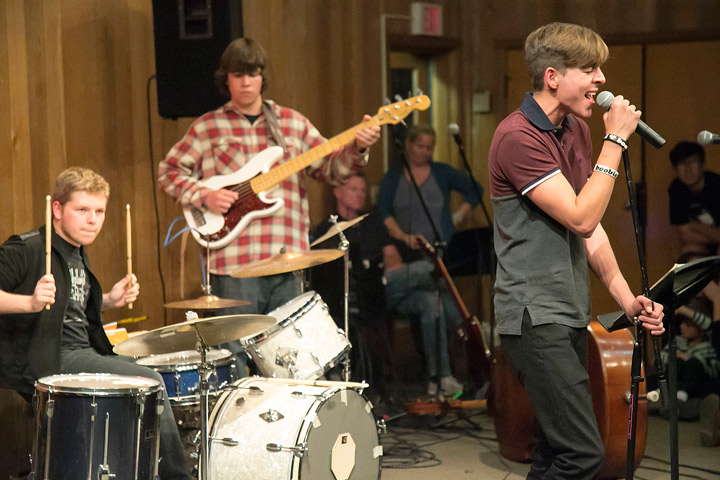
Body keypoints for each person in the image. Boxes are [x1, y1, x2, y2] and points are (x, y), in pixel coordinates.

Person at [488, 22, 665, 479]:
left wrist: (627, 300)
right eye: (589, 69)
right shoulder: (517, 136)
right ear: (552, 77)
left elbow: (593, 229)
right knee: (584, 454)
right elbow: (581, 216)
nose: (601, 80)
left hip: (567, 310)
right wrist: (617, 140)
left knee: (554, 453)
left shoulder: (575, 132)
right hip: (533, 316)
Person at [157, 38, 380, 374]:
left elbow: (331, 169)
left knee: (287, 357)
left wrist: (357, 148)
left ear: (262, 77)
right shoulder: (206, 127)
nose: (246, 82)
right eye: (238, 75)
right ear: (226, 79)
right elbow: (169, 171)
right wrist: (205, 195)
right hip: (234, 260)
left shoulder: (292, 123)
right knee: (232, 358)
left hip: (286, 256)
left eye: (253, 74)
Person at [0, 167, 191, 479]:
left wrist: (109, 300)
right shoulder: (28, 247)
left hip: (82, 352)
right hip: (51, 358)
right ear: (57, 209)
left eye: (99, 211)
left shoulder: (77, 252)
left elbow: (66, 306)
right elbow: (38, 304)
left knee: (146, 363)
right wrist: (29, 303)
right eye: (82, 210)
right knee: (151, 381)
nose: (92, 220)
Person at [376, 124, 482, 396]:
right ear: (408, 145)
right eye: (419, 146)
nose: (423, 152)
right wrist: (403, 236)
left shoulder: (442, 173)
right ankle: (471, 327)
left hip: (438, 252)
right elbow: (383, 212)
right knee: (434, 283)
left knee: (434, 301)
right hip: (406, 256)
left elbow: (475, 189)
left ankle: (439, 379)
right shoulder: (394, 177)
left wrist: (457, 217)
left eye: (428, 147)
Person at [310, 174, 394, 392]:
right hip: (340, 298)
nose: (360, 195)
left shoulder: (372, 225)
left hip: (377, 291)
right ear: (337, 192)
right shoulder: (325, 231)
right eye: (354, 189)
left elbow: (392, 258)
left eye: (363, 191)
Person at [668, 141, 720, 258]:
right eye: (682, 164)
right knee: (690, 250)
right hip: (701, 244)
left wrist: (695, 226)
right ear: (675, 169)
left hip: (707, 242)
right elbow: (685, 235)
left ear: (703, 164)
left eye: (692, 162)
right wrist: (712, 233)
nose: (687, 169)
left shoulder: (716, 185)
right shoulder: (676, 188)